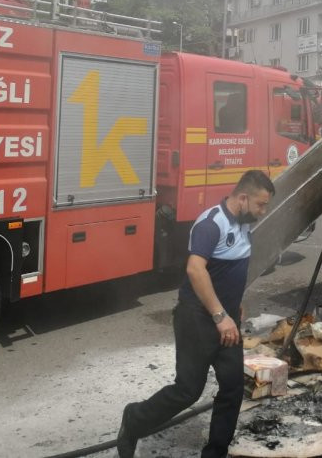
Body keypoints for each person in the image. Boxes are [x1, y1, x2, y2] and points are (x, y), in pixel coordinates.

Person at [117, 169, 275, 458]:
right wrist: (219, 314)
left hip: (226, 318)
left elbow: (230, 268)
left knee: (232, 387)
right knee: (188, 390)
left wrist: (234, 303)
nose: (263, 212)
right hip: (198, 319)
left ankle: (215, 452)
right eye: (260, 205)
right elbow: (195, 269)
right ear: (242, 198)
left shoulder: (243, 223)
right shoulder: (211, 223)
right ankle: (134, 419)